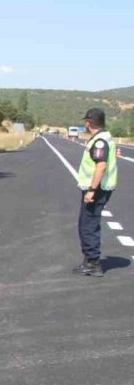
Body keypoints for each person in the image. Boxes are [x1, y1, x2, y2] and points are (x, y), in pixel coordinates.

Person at [72, 107, 118, 277]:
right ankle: (90, 260)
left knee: (88, 224)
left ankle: (92, 263)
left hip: (96, 189)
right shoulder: (105, 138)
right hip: (100, 188)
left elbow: (101, 165)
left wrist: (92, 189)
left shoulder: (100, 141)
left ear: (88, 122)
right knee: (88, 223)